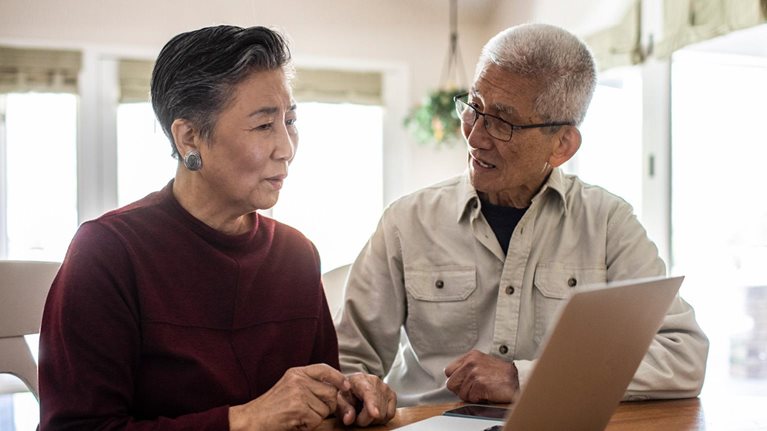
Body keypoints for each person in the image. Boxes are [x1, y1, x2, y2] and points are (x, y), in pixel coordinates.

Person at [39, 25, 395, 430]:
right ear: (190, 137)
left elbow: (313, 406)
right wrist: (243, 420)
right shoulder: (108, 252)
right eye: (264, 126)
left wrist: (349, 396)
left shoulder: (297, 255)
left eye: (290, 120)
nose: (287, 148)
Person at [335, 23, 709, 406]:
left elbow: (683, 356)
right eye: (474, 108)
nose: (475, 136)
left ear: (562, 144)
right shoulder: (406, 221)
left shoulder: (609, 224)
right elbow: (346, 362)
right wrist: (360, 392)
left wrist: (523, 379)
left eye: (502, 122)